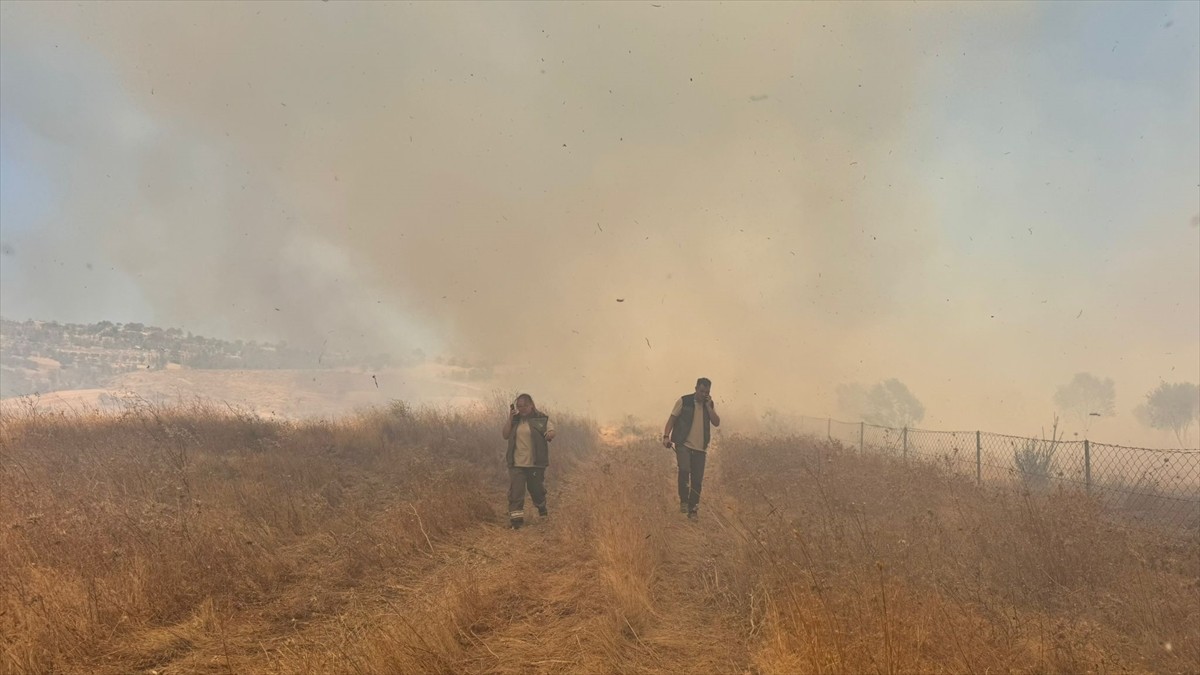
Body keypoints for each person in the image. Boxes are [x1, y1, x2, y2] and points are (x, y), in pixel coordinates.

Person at [661, 377, 720, 519]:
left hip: (700, 448)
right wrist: (666, 436)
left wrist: (708, 406)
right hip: (683, 444)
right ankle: (684, 501)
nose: (703, 394)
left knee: (697, 480)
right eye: (701, 391)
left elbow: (716, 422)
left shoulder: (709, 404)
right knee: (684, 469)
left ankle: (693, 510)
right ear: (696, 389)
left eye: (707, 392)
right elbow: (672, 419)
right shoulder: (684, 401)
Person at [501, 393, 556, 529]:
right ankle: (516, 523)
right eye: (519, 406)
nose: (522, 409)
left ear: (531, 405)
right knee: (516, 493)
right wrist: (510, 418)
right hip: (516, 463)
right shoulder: (515, 420)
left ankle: (542, 511)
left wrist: (549, 434)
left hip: (535, 464)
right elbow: (505, 435)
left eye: (524, 406)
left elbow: (552, 430)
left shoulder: (540, 419)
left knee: (536, 490)